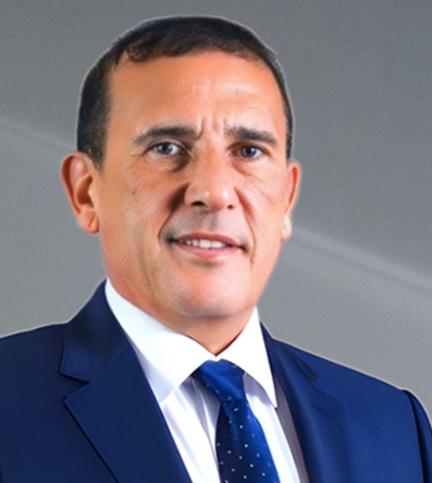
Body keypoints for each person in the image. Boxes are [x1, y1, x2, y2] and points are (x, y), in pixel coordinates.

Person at [0, 16, 430, 483]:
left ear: (287, 199)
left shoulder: (395, 426)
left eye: (248, 151)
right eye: (166, 148)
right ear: (86, 192)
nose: (214, 191)